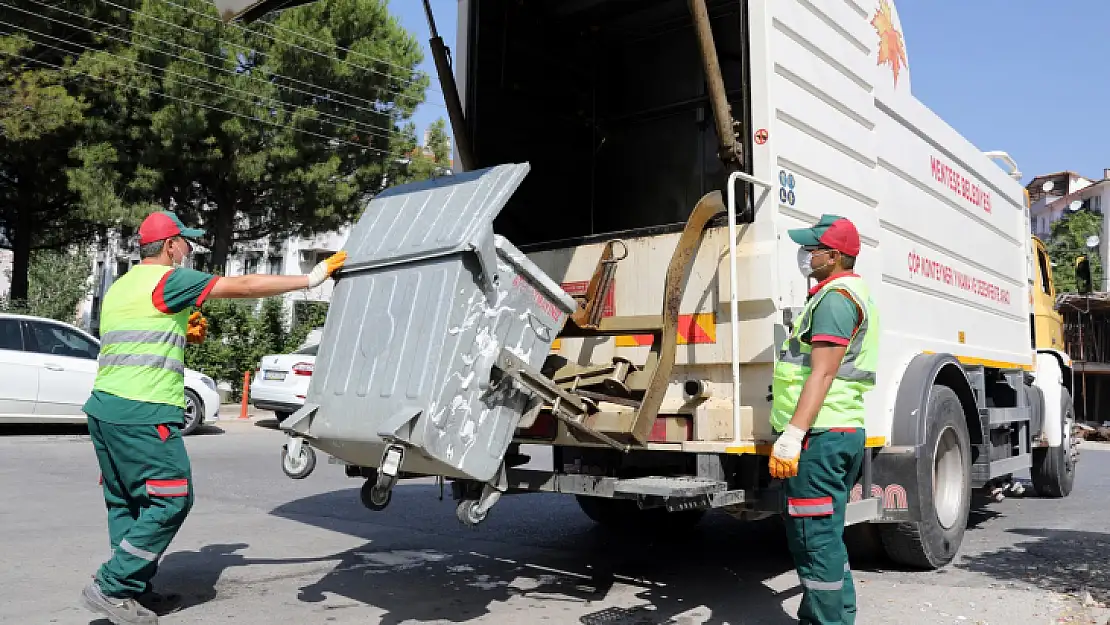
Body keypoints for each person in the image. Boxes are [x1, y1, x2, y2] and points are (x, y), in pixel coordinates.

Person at [80, 210, 347, 624]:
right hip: (144, 410)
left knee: (129, 502)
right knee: (172, 499)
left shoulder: (122, 285)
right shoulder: (169, 279)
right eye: (184, 241)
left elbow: (132, 331)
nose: (189, 248)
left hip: (104, 410)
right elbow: (243, 285)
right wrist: (312, 279)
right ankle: (112, 587)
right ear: (169, 245)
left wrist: (179, 329)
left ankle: (134, 591)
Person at [768, 214, 879, 625]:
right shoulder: (843, 293)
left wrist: (792, 435)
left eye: (813, 248)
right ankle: (833, 617)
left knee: (813, 540)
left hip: (821, 437)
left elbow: (823, 372)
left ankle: (829, 621)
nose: (806, 254)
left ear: (834, 256)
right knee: (825, 537)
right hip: (837, 432)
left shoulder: (835, 300)